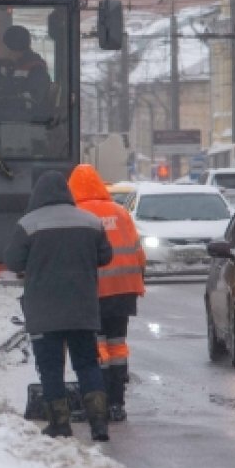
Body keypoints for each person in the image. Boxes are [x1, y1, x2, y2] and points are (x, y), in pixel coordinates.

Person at [4, 170, 113, 441]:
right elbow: (105, 256)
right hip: (82, 309)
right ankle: (99, 423)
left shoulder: (28, 224)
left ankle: (59, 423)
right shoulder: (91, 222)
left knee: (51, 367)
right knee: (87, 364)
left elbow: (13, 262)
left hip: (44, 311)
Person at [68, 164, 146, 422]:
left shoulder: (76, 214)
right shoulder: (120, 212)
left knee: (96, 347)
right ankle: (117, 403)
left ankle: (97, 401)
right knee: (117, 344)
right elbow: (139, 253)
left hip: (93, 292)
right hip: (123, 290)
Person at [0, 25, 52, 118]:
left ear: (11, 49)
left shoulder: (36, 69)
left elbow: (30, 102)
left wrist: (1, 103)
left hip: (24, 124)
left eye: (0, 44)